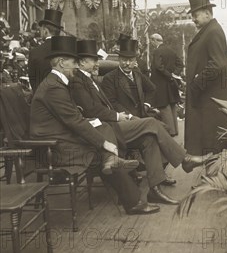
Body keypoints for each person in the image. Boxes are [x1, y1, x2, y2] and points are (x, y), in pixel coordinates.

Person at [70, 39, 212, 205]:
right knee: (151, 123)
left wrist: (134, 110)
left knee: (149, 139)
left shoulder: (90, 79)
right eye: (94, 60)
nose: (97, 63)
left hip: (114, 124)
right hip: (105, 130)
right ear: (81, 62)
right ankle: (185, 160)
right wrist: (119, 116)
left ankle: (155, 190)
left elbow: (149, 89)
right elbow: (92, 111)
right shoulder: (78, 81)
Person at [29, 36, 160, 215]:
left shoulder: (56, 83)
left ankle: (126, 187)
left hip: (60, 138)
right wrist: (103, 143)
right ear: (61, 62)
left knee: (105, 143)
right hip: (53, 147)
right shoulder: (54, 87)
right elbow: (74, 121)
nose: (77, 65)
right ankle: (132, 200)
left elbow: (73, 117)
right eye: (74, 61)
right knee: (102, 151)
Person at [184, 0, 227, 155]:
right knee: (210, 145)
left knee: (213, 146)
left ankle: (212, 179)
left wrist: (197, 84)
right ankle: (210, 178)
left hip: (211, 102)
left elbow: (217, 64)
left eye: (195, 15)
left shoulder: (213, 31)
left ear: (207, 12)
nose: (193, 19)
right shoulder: (210, 30)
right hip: (210, 101)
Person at [101, 38, 159, 119]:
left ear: (135, 61)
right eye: (124, 60)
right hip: (125, 119)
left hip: (143, 115)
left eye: (131, 60)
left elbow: (152, 89)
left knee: (164, 128)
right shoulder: (109, 78)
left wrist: (146, 105)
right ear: (119, 59)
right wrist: (130, 116)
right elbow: (112, 102)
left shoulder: (138, 74)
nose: (127, 64)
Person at [149, 33, 184, 136]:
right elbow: (181, 64)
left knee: (164, 107)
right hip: (171, 83)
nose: (151, 43)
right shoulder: (171, 51)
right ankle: (175, 130)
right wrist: (174, 74)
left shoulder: (157, 51)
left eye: (151, 41)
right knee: (172, 106)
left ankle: (170, 132)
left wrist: (169, 75)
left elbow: (158, 67)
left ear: (155, 40)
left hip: (160, 83)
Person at [28, 9, 63, 94]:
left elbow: (33, 81)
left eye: (41, 29)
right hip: (64, 99)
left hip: (41, 100)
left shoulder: (35, 52)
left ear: (45, 31)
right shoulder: (66, 50)